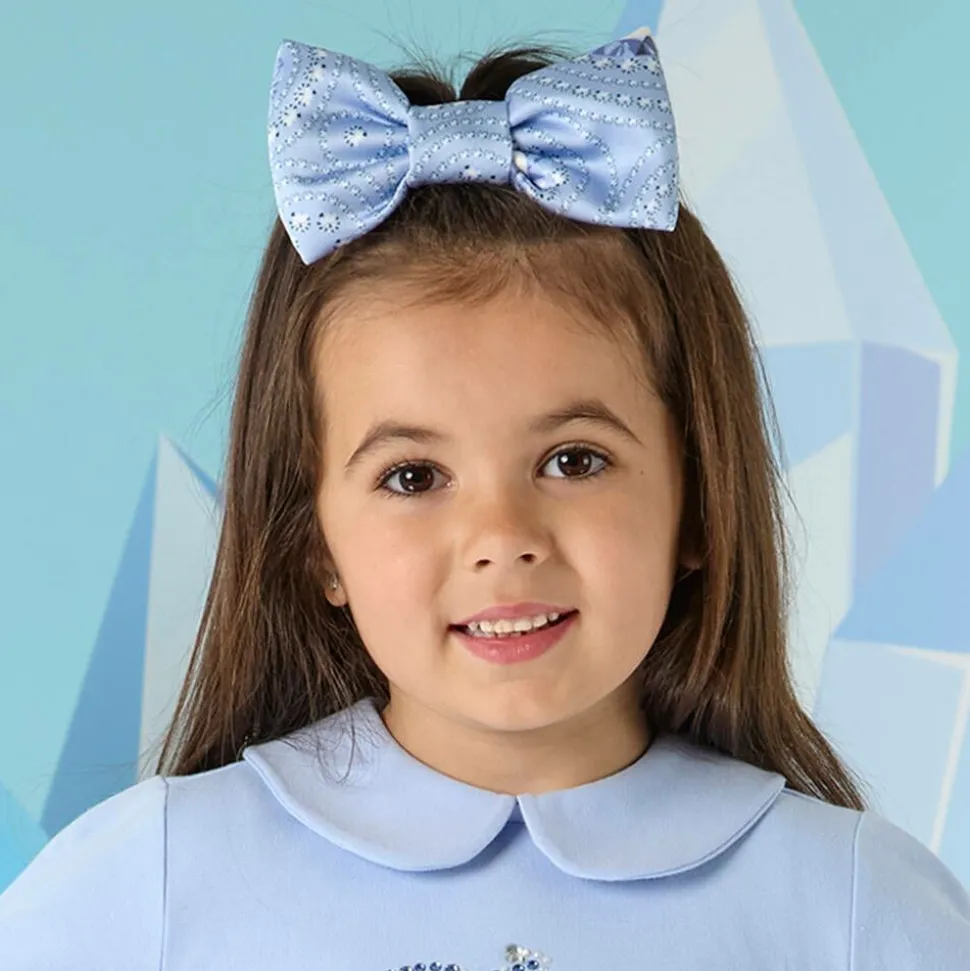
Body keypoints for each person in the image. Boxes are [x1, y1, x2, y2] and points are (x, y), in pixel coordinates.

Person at [1, 25, 968, 971]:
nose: (502, 537)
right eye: (413, 477)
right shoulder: (155, 880)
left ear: (699, 499)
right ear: (314, 542)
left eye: (574, 460)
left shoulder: (856, 905)